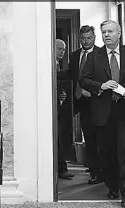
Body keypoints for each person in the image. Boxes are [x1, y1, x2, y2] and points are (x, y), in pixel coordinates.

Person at [79, 20, 125, 208]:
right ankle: (112, 186)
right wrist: (100, 85)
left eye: (110, 31)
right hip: (103, 112)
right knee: (106, 153)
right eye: (104, 32)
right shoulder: (95, 56)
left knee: (124, 152)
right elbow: (83, 79)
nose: (106, 35)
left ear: (119, 33)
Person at [60, 25, 101, 185]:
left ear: (94, 37)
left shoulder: (100, 54)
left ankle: (97, 172)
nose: (86, 41)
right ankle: (65, 165)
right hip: (76, 99)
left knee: (94, 137)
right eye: (83, 38)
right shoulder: (75, 55)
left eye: (89, 38)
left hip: (94, 101)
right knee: (64, 127)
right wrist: (51, 73)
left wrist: (94, 91)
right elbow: (71, 73)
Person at [55, 39, 75, 180]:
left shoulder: (57, 64)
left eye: (64, 49)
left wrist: (62, 93)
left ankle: (61, 168)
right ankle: (61, 169)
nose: (63, 52)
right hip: (52, 106)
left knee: (59, 135)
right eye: (60, 49)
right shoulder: (51, 63)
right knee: (56, 136)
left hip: (58, 104)